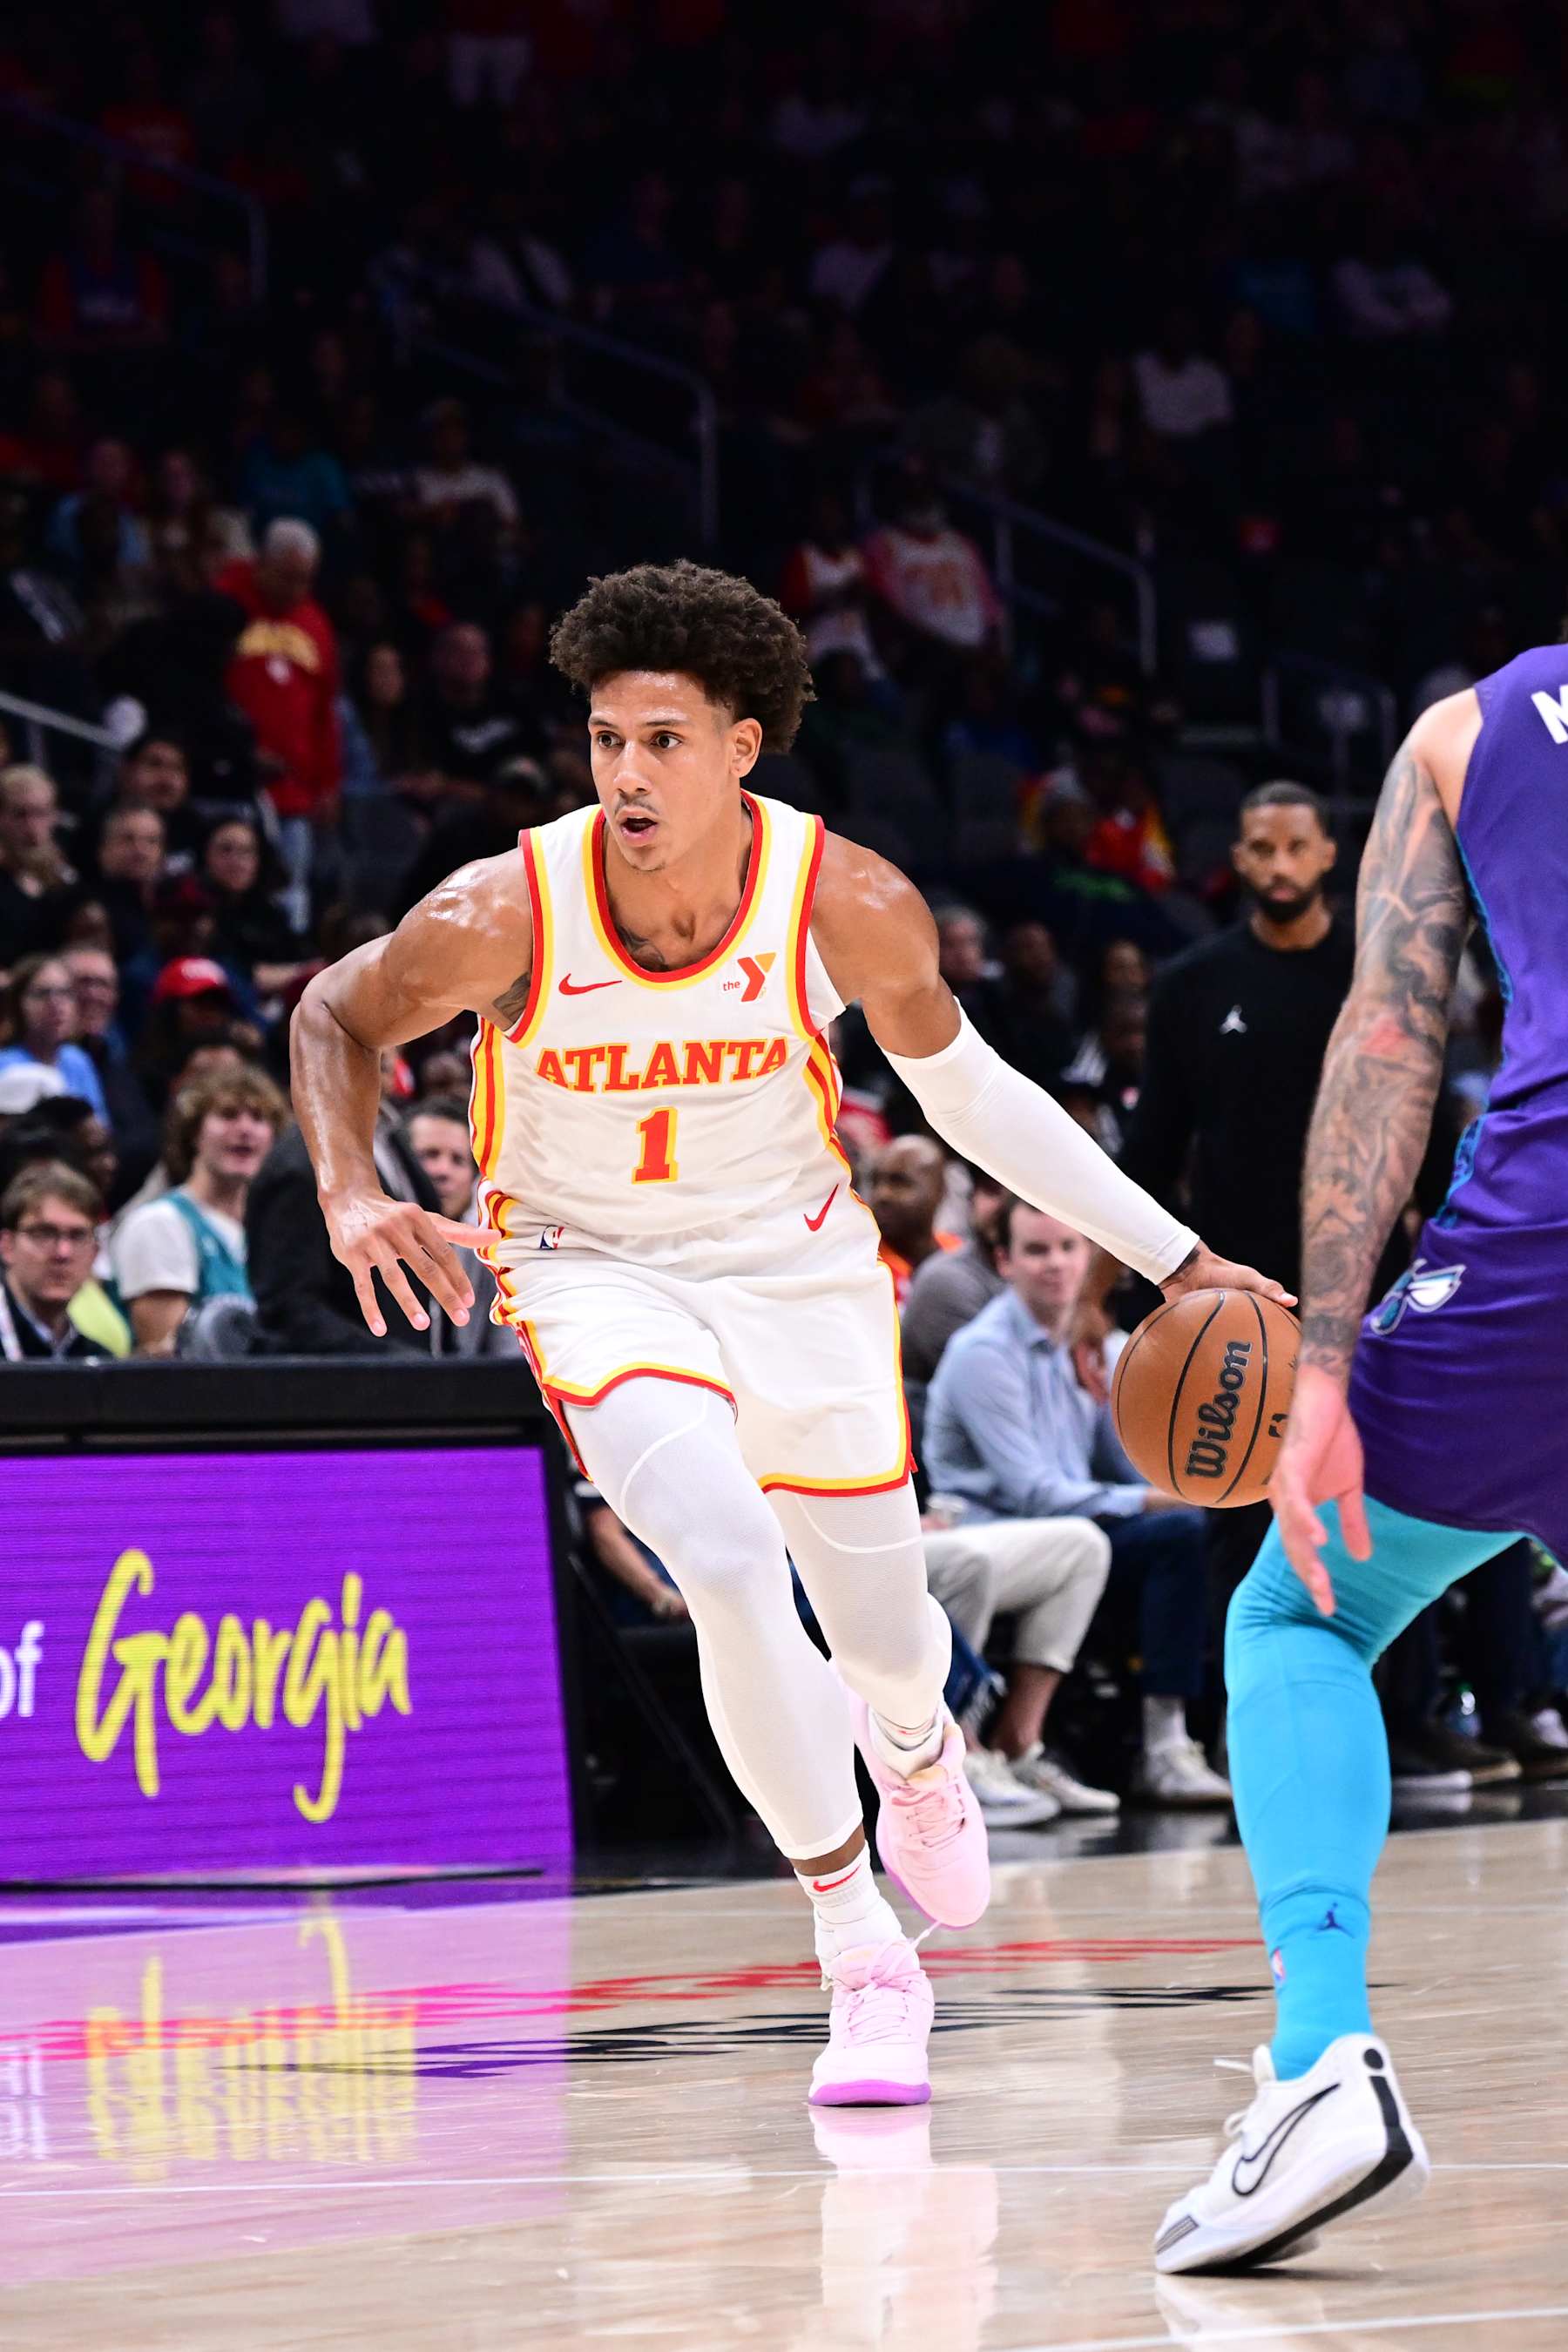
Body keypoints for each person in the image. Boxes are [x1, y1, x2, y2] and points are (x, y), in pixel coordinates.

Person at [289, 558, 1283, 2110]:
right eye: (608, 739)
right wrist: (351, 1191)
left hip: (799, 1267)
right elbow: (333, 1019)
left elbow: (979, 1102)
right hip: (588, 1265)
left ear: (744, 746)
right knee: (729, 1565)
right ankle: (858, 1951)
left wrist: (1180, 1256)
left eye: (665, 741)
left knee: (887, 1642)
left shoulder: (846, 897)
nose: (626, 773)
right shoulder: (504, 907)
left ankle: (916, 1743)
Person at [1153, 658, 1568, 2270]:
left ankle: (1325, 2059)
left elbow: (1388, 1040)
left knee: (1299, 1619)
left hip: (1535, 1262)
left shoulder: (1470, 732)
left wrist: (1322, 1364)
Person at [927, 1201, 1233, 1807]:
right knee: (1174, 1533)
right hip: (997, 1533)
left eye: (1068, 1247)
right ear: (1004, 1261)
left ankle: (1193, 1736)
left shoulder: (1093, 1344)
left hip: (1073, 1531)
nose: (1056, 1265)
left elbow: (1130, 1463)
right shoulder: (982, 1352)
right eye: (1037, 1251)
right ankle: (1156, 1742)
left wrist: (1192, 1470)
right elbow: (1033, 1493)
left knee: (1209, 1526)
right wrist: (1151, 1498)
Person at [922, 1507, 1118, 1822]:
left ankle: (1018, 1747)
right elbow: (1036, 1492)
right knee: (966, 1563)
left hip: (908, 1527)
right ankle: (956, 1757)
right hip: (844, 1542)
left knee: (1083, 1545)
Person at [215, 518, 341, 929]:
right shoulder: (226, 602)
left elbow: (325, 712)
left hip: (295, 792)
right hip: (234, 783)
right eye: (286, 578)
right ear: (261, 563)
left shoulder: (315, 624)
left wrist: (327, 783)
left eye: (305, 581)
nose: (295, 591)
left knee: (291, 891)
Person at [110, 1064, 286, 1355]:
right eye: (228, 1115)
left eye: (258, 1118)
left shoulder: (270, 1230)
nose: (244, 1129)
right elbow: (169, 1356)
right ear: (194, 1132)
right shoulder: (159, 1224)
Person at [900, 1165, 1009, 1386]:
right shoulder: (946, 1280)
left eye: (1016, 1196)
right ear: (971, 1198)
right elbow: (988, 1384)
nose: (1003, 1207)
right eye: (992, 1191)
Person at [0, 1163, 113, 1361]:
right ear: (7, 1246)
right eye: (44, 1233)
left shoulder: (96, 1358)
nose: (63, 1253)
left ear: (95, 1254)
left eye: (78, 1236)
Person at [0, 955, 109, 1124]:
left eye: (65, 992)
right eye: (43, 994)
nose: (56, 1003)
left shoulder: (78, 1060)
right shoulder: (5, 1066)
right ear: (18, 1004)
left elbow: (100, 1129)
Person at [868, 1134, 961, 1308]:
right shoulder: (864, 1264)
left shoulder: (959, 1253)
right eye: (876, 1181)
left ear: (940, 1190)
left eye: (899, 1182)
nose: (882, 1194)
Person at [0, 766, 78, 963]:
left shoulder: (66, 880)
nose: (31, 827)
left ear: (54, 817)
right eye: (20, 814)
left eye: (40, 813)